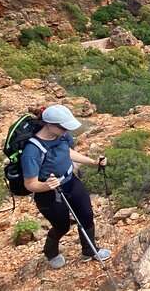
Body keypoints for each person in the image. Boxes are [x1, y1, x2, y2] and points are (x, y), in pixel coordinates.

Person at [21, 104, 111, 269]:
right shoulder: (31, 151)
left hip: (70, 181)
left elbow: (68, 152)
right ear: (49, 124)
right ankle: (51, 252)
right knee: (61, 225)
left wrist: (93, 162)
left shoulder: (62, 136)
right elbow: (29, 184)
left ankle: (89, 251)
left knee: (86, 215)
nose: (67, 130)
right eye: (64, 127)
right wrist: (47, 185)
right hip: (48, 194)